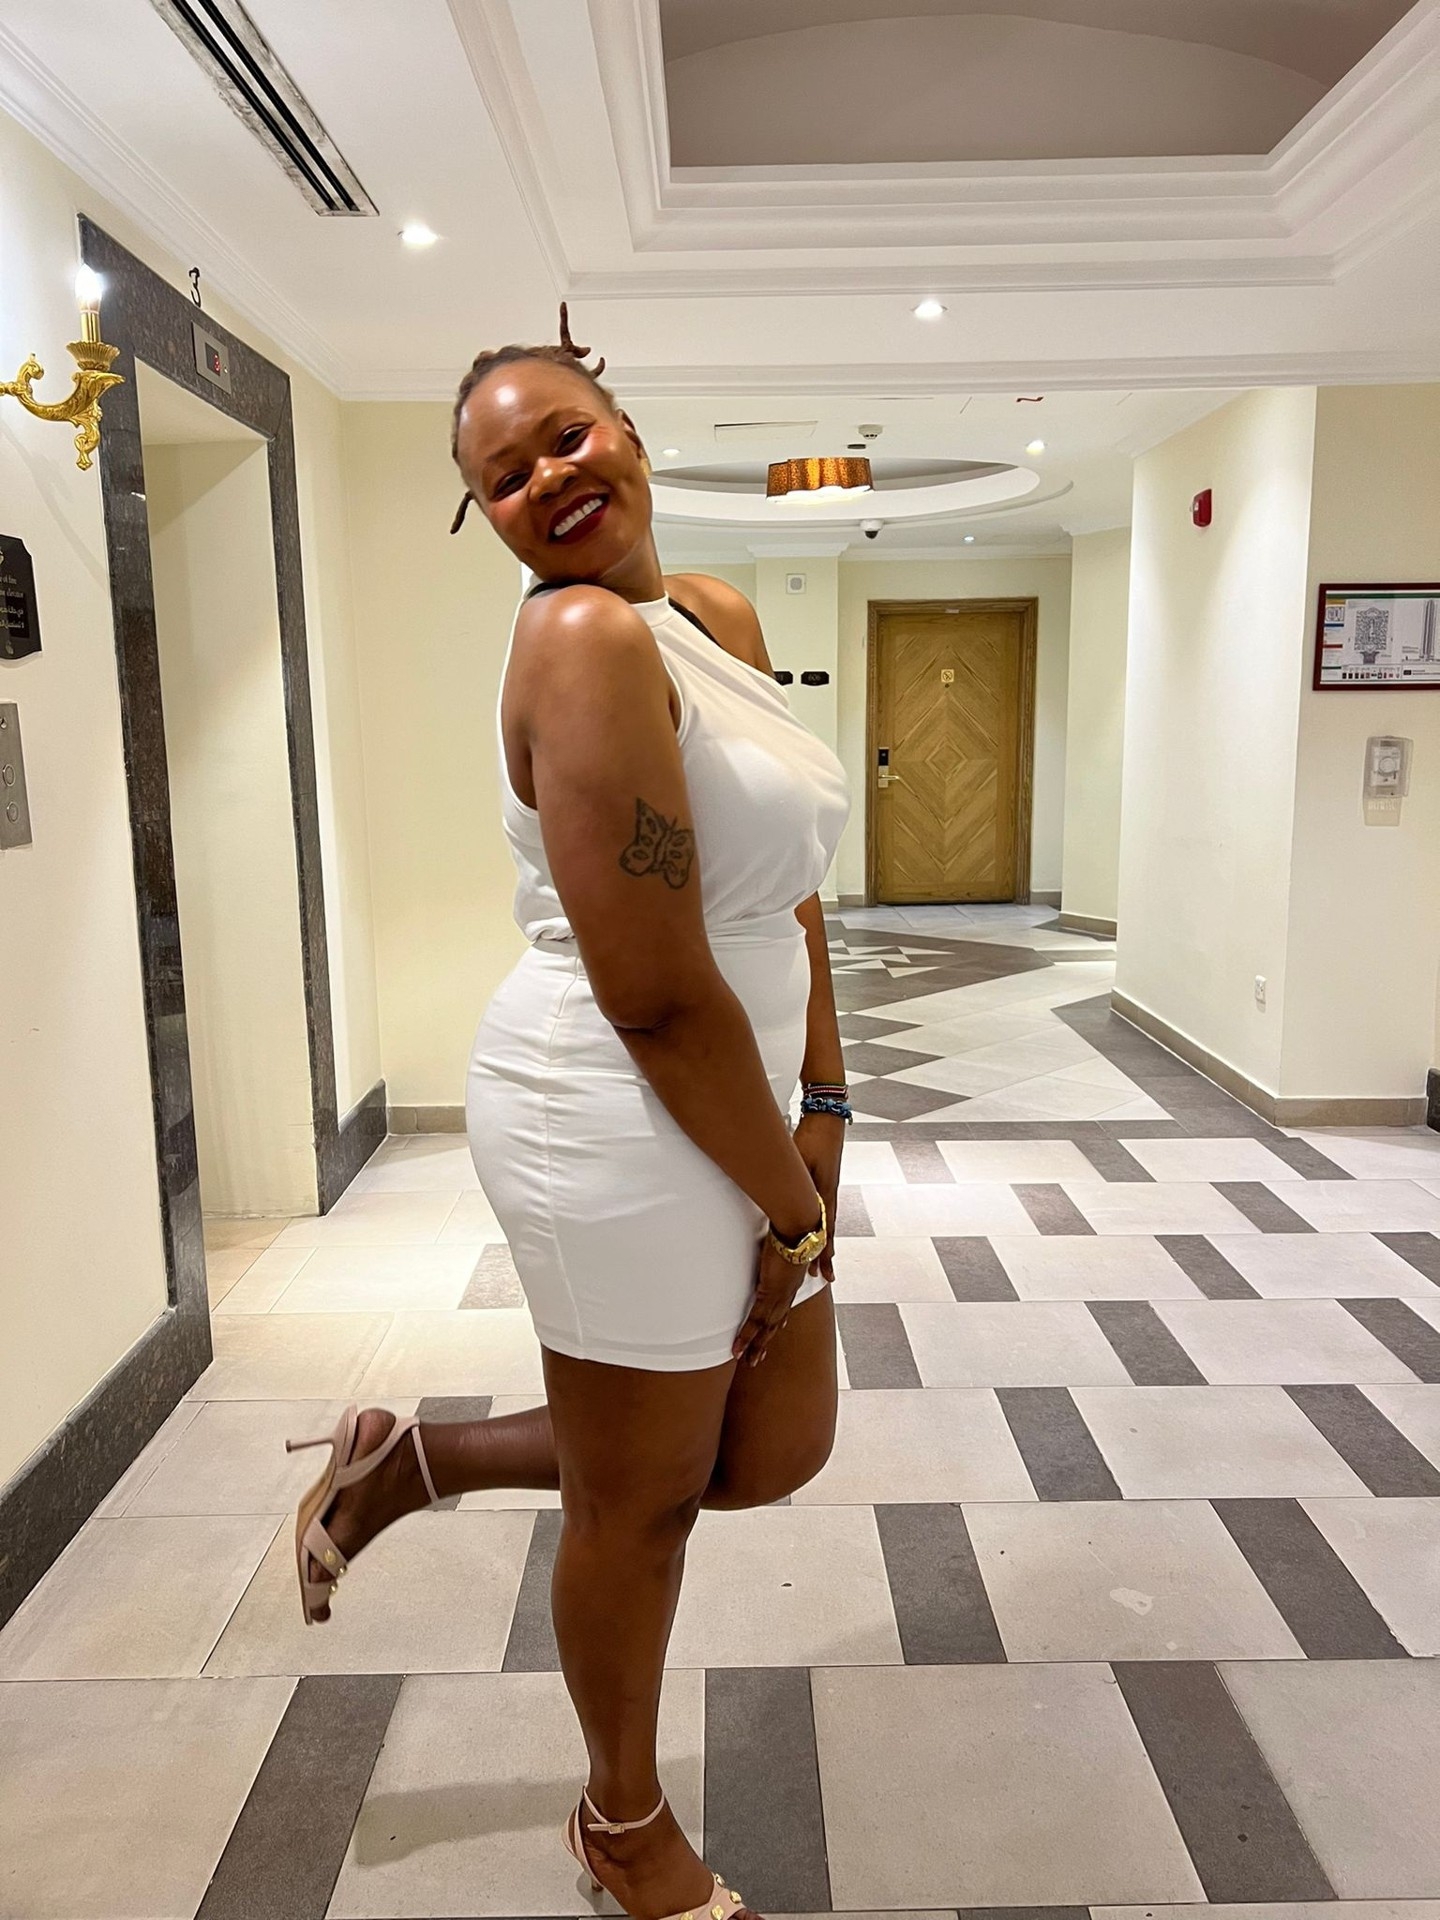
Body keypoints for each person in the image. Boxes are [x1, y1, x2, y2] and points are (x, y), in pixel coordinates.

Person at [285, 307, 851, 1920]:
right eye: (504, 475)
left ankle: (414, 1463)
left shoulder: (709, 612)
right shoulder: (583, 642)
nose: (546, 475)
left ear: (629, 430)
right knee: (643, 1501)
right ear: (491, 521)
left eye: (566, 434)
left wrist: (824, 1101)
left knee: (772, 1444)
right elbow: (655, 994)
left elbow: (791, 890)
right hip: (612, 1113)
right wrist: (790, 1210)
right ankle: (621, 1820)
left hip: (741, 1102)